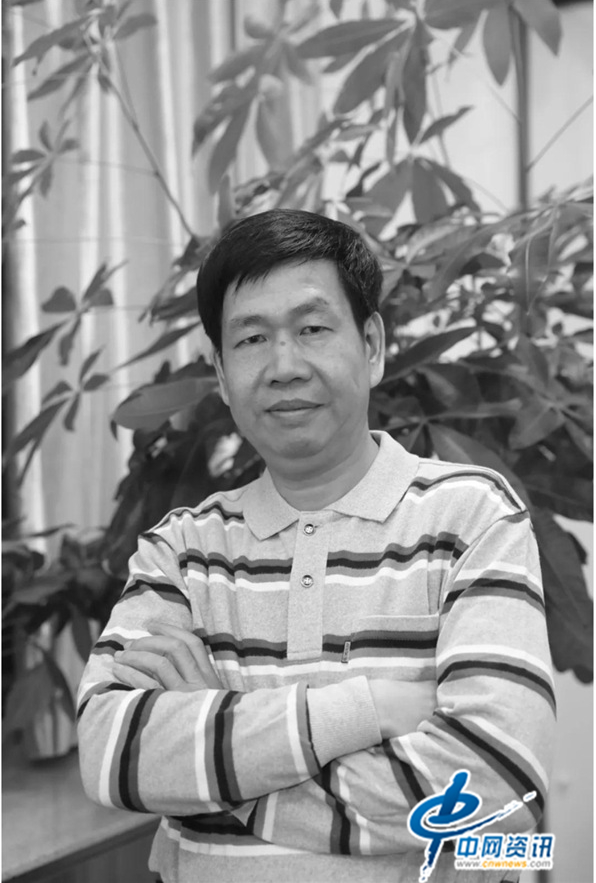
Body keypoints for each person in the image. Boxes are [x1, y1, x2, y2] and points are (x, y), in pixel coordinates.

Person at [77, 209, 555, 883]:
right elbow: (111, 753)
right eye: (251, 339)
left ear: (372, 345)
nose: (284, 366)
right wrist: (369, 708)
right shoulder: (179, 549)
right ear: (221, 373)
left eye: (312, 329)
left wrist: (219, 752)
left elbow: (497, 793)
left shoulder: (472, 515)